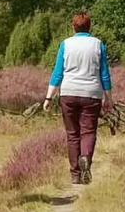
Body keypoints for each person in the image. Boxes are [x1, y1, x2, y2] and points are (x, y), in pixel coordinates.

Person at [42, 12, 112, 185]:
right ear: (89, 27)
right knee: (88, 131)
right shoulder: (98, 45)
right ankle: (86, 157)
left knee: (72, 134)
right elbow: (104, 74)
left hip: (69, 93)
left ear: (73, 27)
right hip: (91, 94)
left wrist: (48, 97)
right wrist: (108, 98)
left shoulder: (66, 44)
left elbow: (58, 73)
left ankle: (75, 175)